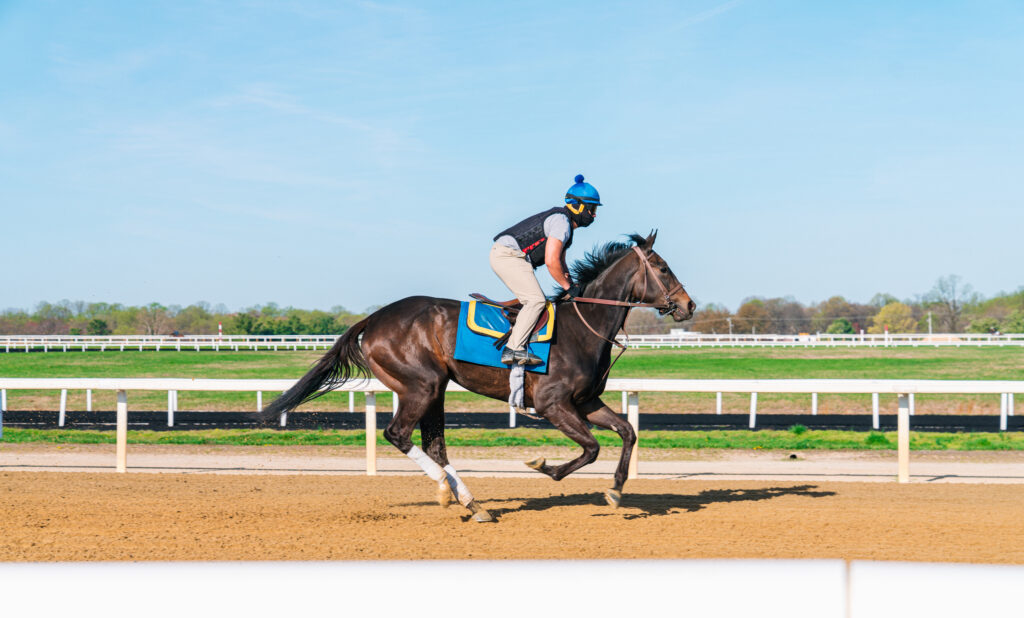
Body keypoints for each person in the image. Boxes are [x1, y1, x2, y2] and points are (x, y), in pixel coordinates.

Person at [490, 174, 601, 365]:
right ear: (578, 206)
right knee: (536, 300)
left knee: (537, 300)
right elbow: (551, 261)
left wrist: (572, 284)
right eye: (592, 209)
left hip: (512, 256)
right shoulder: (561, 223)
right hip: (508, 255)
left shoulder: (565, 225)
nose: (594, 215)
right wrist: (567, 287)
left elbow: (561, 262)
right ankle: (513, 349)